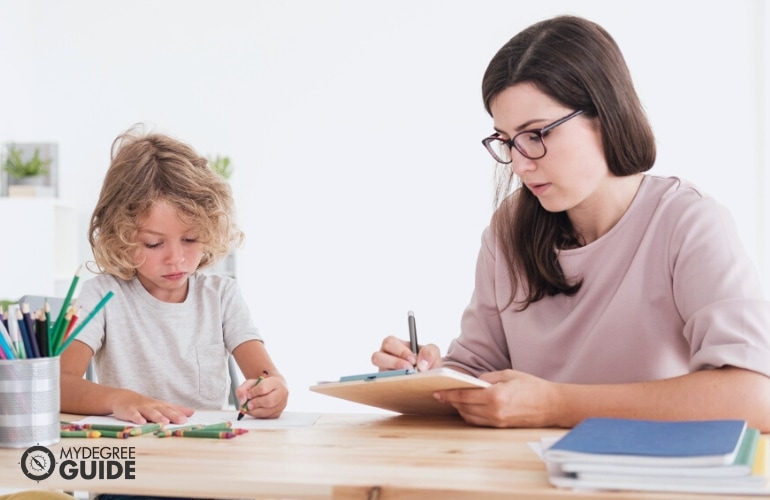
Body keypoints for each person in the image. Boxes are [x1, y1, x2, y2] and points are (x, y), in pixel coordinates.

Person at [371, 15, 770, 431]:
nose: (521, 164)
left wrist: (555, 404)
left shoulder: (688, 222)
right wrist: (424, 377)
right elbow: (480, 373)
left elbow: (754, 396)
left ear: (605, 113)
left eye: (537, 133)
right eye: (507, 141)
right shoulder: (509, 231)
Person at [60, 126, 289, 427]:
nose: (176, 259)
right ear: (121, 237)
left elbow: (267, 378)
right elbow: (58, 384)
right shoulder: (102, 295)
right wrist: (119, 399)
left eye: (191, 239)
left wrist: (273, 392)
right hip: (136, 450)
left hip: (205, 448)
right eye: (154, 244)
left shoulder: (221, 295)